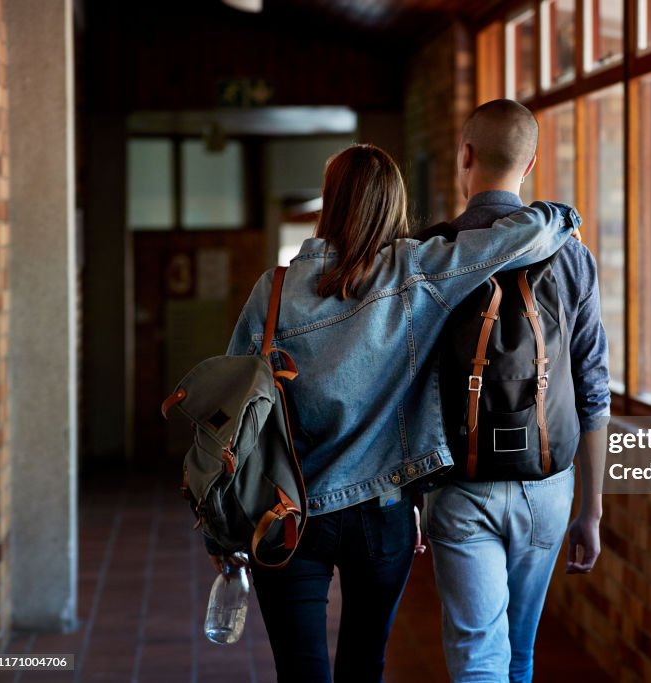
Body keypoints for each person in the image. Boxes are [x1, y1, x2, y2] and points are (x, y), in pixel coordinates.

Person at [214, 143, 580, 683]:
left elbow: (234, 413)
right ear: (393, 204)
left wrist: (222, 533)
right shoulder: (415, 273)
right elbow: (515, 240)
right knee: (365, 663)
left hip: (287, 510)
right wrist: (562, 214)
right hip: (381, 511)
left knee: (299, 671)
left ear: (329, 202)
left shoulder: (273, 292)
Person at [421, 100, 610, 682]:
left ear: (465, 156)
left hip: (458, 484)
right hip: (548, 484)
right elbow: (594, 388)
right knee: (520, 653)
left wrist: (406, 493)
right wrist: (592, 510)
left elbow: (408, 384)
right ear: (529, 166)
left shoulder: (430, 254)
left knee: (480, 655)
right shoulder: (572, 255)